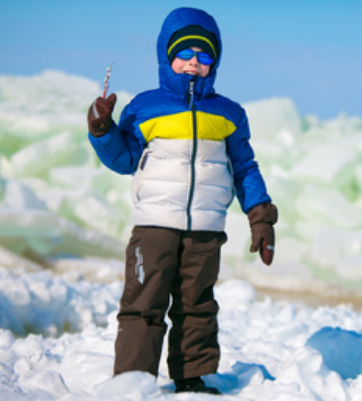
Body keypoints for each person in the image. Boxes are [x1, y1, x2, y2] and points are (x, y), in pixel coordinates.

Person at [86, 7, 277, 395]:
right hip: (154, 226)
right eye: (186, 54)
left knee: (197, 305)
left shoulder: (229, 114)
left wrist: (260, 215)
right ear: (167, 57)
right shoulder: (144, 106)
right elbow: (123, 159)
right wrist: (101, 129)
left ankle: (192, 377)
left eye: (204, 56)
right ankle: (131, 382)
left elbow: (245, 167)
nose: (194, 63)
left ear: (215, 62)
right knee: (144, 304)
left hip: (205, 230)